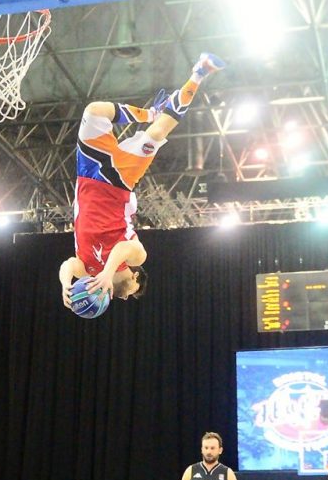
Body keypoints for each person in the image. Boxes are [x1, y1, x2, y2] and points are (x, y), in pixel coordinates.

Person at [59, 53, 226, 307]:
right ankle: (198, 74)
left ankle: (149, 113)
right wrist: (106, 273)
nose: (126, 296)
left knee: (93, 110)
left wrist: (66, 285)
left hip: (87, 174)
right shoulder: (137, 256)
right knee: (159, 131)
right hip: (118, 181)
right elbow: (120, 250)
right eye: (133, 292)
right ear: (136, 276)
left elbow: (68, 265)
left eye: (127, 296)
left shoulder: (88, 270)